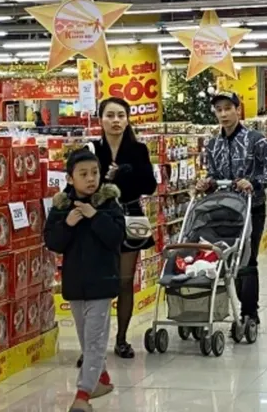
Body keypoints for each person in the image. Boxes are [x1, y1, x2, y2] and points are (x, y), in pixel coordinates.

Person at [44, 148, 126, 412]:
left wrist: (95, 216)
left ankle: (82, 395)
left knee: (94, 340)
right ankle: (101, 378)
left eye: (95, 173)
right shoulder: (61, 207)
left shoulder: (109, 204)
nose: (91, 179)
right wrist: (67, 224)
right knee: (85, 338)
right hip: (75, 284)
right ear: (70, 178)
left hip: (102, 283)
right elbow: (53, 242)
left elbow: (117, 238)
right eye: (83, 174)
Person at [195, 91, 267, 326]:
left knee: (247, 259)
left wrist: (254, 183)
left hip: (252, 208)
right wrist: (207, 183)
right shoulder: (213, 144)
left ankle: (249, 312)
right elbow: (213, 173)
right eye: (219, 110)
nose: (223, 114)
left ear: (237, 109)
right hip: (223, 209)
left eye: (227, 108)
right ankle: (222, 306)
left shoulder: (256, 140)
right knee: (225, 257)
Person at [92, 97, 157, 359]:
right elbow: (80, 183)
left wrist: (129, 173)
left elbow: (150, 186)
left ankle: (121, 339)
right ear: (101, 120)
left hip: (131, 215)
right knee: (98, 282)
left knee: (125, 281)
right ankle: (93, 343)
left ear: (128, 119)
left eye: (121, 115)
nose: (116, 121)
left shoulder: (138, 150)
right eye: (110, 115)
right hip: (98, 217)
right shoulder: (92, 149)